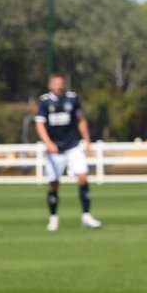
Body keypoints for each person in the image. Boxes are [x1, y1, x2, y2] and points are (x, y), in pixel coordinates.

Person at [35, 72, 102, 230]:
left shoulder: (72, 99)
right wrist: (48, 143)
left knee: (83, 177)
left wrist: (87, 141)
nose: (59, 85)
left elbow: (81, 120)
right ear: (50, 85)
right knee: (53, 183)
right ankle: (53, 217)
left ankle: (86, 215)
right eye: (56, 83)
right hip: (55, 149)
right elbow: (39, 124)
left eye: (61, 82)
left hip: (72, 146)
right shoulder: (44, 102)